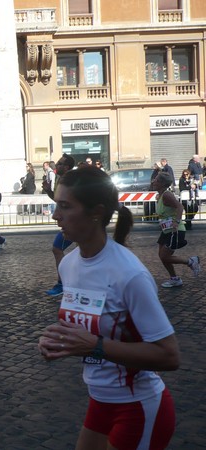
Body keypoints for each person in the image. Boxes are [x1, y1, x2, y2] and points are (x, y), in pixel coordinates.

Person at [38, 166, 180, 450]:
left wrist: (95, 345)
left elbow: (169, 356)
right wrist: (59, 342)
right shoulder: (68, 265)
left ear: (96, 213)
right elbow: (88, 331)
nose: (55, 216)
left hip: (138, 406)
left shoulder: (129, 274)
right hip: (99, 402)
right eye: (56, 206)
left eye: (65, 206)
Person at [152, 171, 200, 287]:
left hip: (175, 230)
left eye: (157, 180)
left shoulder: (167, 195)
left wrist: (176, 222)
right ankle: (174, 278)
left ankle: (191, 261)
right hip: (166, 231)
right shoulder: (160, 196)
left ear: (163, 184)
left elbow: (180, 206)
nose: (154, 181)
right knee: (162, 256)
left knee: (165, 256)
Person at [42, 154, 75, 296]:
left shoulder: (70, 180)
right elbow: (58, 199)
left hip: (74, 222)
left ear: (66, 167)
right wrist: (49, 191)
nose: (57, 165)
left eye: (60, 164)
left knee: (58, 248)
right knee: (58, 249)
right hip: (69, 221)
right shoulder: (61, 179)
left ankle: (63, 284)